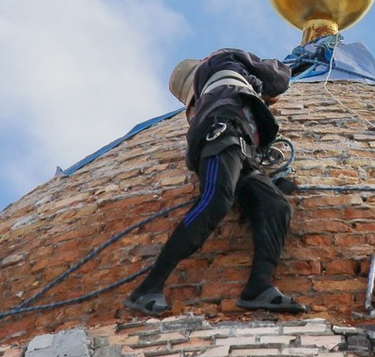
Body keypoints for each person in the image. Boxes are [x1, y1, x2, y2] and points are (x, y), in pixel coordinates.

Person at [125, 48, 306, 318]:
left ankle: (258, 287)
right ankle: (147, 288)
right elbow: (277, 77)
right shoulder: (224, 59)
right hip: (223, 135)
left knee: (275, 205)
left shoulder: (209, 97)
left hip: (242, 148)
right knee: (215, 201)